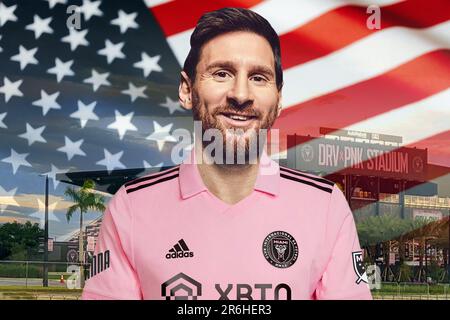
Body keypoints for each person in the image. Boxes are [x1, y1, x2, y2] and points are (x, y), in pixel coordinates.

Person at [81, 7, 372, 300]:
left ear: (279, 100)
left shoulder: (325, 207)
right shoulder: (131, 209)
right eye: (221, 73)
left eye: (259, 77)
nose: (241, 94)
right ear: (186, 89)